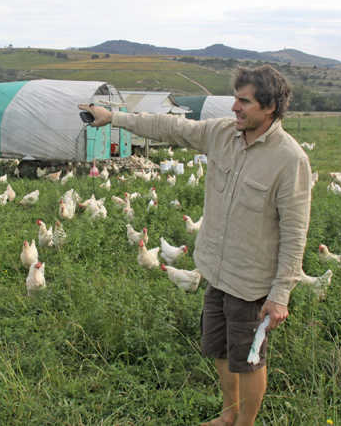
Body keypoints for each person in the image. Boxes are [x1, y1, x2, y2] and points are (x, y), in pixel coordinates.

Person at [80, 65, 311, 426]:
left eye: (244, 101)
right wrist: (114, 117)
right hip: (215, 269)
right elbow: (170, 127)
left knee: (249, 359)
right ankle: (228, 413)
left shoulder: (289, 158)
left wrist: (280, 294)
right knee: (219, 349)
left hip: (251, 282)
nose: (234, 107)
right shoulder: (221, 133)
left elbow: (296, 231)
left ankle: (245, 423)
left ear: (269, 107)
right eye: (235, 98)